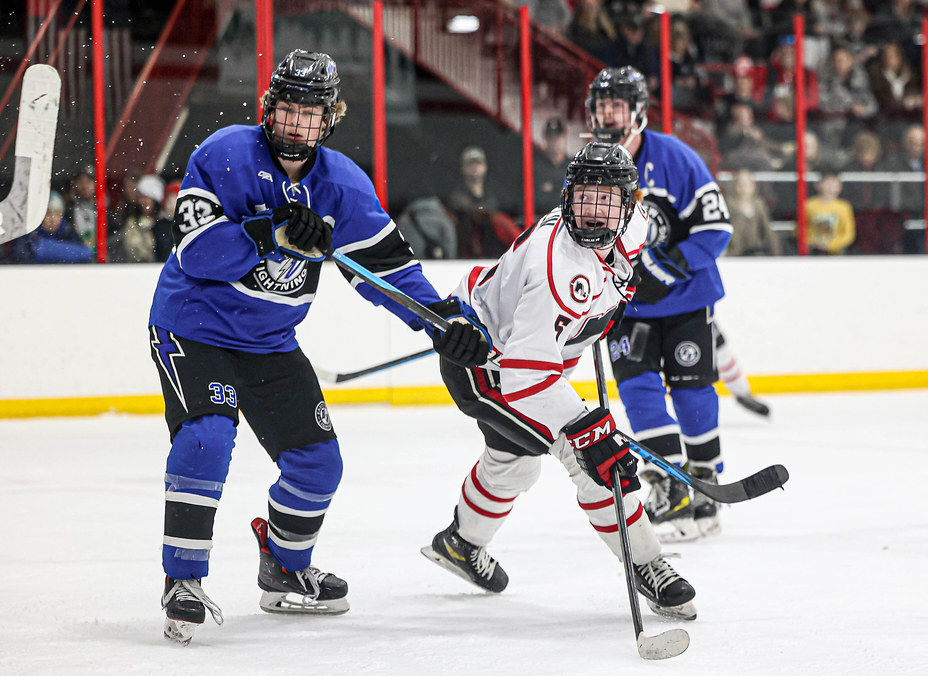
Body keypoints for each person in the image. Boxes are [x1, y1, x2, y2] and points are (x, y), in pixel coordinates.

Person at [149, 49, 491, 645]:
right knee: (208, 438)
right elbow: (196, 252)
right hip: (194, 327)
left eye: (311, 114)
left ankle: (283, 566)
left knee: (318, 465)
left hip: (271, 342)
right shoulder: (224, 154)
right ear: (268, 107)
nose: (297, 124)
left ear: (331, 119)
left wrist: (441, 321)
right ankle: (182, 580)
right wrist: (269, 230)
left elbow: (387, 272)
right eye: (288, 109)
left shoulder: (343, 186)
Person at [420, 141, 697, 620]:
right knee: (593, 457)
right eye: (584, 198)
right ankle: (648, 563)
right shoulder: (559, 269)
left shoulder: (629, 223)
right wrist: (588, 430)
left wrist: (664, 225)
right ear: (567, 197)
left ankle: (460, 545)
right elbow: (526, 378)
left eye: (607, 201)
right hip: (487, 364)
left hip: (527, 355)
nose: (593, 214)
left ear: (626, 206)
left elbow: (646, 221)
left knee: (515, 461)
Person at [585, 66, 733, 542]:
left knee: (693, 397)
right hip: (626, 307)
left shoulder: (677, 157)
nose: (608, 114)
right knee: (640, 395)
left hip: (686, 303)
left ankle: (705, 484)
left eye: (617, 105)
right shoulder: (588, 166)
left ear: (638, 110)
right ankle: (669, 488)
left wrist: (663, 269)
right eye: (602, 105)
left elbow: (716, 228)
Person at [803, 169, 855, 255]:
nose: (831, 187)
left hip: (836, 253)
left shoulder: (844, 207)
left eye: (835, 183)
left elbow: (849, 233)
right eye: (828, 183)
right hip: (813, 251)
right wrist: (811, 242)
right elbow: (800, 229)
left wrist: (831, 245)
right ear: (818, 185)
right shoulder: (808, 205)